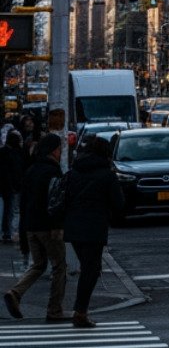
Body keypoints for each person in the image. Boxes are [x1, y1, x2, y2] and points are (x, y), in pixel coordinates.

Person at [61, 133, 126, 328]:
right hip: (94, 227)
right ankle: (80, 311)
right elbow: (119, 204)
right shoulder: (107, 175)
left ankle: (80, 310)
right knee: (91, 269)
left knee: (87, 268)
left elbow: (66, 198)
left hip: (74, 226)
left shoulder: (75, 171)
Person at [4, 133, 67, 322]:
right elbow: (55, 201)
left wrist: (23, 229)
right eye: (58, 149)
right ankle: (54, 309)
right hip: (48, 227)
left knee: (38, 264)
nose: (60, 152)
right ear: (53, 151)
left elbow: (23, 202)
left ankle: (16, 292)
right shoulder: (53, 172)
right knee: (59, 266)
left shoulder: (31, 170)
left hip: (31, 225)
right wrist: (58, 225)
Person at [0, 131, 21, 243]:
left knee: (7, 209)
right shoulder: (12, 153)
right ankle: (7, 232)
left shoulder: (4, 152)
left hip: (6, 185)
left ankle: (6, 231)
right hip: (10, 185)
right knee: (10, 209)